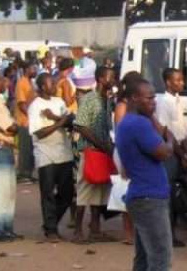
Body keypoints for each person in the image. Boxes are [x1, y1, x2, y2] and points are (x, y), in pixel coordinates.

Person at [116, 78, 176, 271]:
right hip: (149, 197)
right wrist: (170, 139)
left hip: (142, 195)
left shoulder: (128, 122)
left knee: (144, 258)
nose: (153, 102)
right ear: (134, 98)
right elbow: (164, 153)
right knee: (160, 258)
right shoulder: (138, 124)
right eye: (149, 98)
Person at [29, 73, 75, 242]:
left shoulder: (59, 102)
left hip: (64, 153)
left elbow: (71, 121)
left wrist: (56, 119)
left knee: (67, 193)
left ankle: (50, 223)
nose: (55, 85)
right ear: (42, 87)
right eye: (51, 83)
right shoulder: (35, 106)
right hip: (46, 155)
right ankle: (51, 230)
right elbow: (39, 133)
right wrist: (59, 123)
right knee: (48, 193)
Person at [72, 66, 116, 244]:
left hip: (102, 151)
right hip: (90, 151)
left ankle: (95, 230)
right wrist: (101, 143)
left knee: (100, 192)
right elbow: (80, 125)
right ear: (100, 78)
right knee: (84, 191)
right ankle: (77, 232)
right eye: (110, 78)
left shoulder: (106, 100)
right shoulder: (89, 99)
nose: (112, 81)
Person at [155, 68, 187, 247]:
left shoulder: (177, 100)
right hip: (170, 153)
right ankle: (166, 235)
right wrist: (181, 153)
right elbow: (166, 131)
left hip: (178, 151)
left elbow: (181, 129)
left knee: (177, 192)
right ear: (168, 82)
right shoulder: (164, 102)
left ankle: (172, 233)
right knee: (168, 194)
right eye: (177, 80)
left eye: (182, 80)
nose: (181, 83)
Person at [0, 73, 20, 242]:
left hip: (2, 146)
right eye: (2, 81)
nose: (5, 83)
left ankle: (5, 229)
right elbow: (10, 128)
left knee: (7, 191)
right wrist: (15, 125)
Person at [113, 71, 143, 245]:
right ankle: (128, 233)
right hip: (124, 152)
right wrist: (125, 160)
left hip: (135, 151)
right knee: (125, 190)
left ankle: (134, 231)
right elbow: (120, 135)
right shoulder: (122, 106)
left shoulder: (133, 106)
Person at [15, 60, 38, 183]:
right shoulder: (21, 83)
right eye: (33, 69)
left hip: (31, 121)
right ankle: (23, 174)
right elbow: (21, 104)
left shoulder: (31, 83)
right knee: (25, 149)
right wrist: (30, 114)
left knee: (30, 148)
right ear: (27, 70)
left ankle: (28, 172)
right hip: (24, 121)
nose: (35, 71)